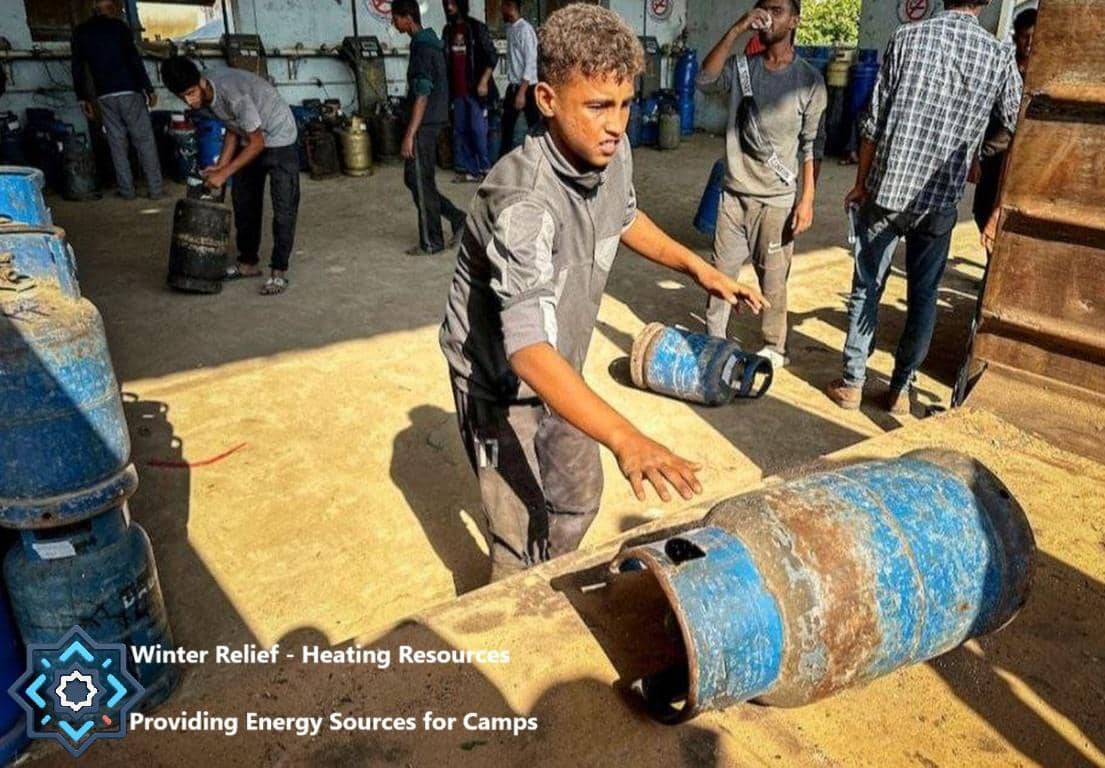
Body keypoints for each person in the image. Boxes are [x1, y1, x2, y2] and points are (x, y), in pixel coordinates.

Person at [439, 5, 767, 582]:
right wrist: (627, 436)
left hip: (562, 368)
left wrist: (698, 267)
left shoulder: (611, 152)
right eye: (597, 106)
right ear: (546, 100)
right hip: (499, 386)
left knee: (579, 496)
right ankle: (519, 612)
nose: (616, 124)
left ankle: (550, 573)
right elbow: (527, 351)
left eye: (624, 104)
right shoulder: (523, 204)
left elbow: (624, 218)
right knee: (515, 537)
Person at [827, 0, 1022, 414]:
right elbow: (1015, 125)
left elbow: (873, 120)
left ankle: (853, 383)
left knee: (867, 288)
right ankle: (901, 389)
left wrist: (860, 184)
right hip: (940, 200)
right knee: (923, 296)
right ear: (985, 4)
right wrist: (977, 154)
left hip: (887, 190)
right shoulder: (999, 54)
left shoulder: (907, 37)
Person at [697, 0, 827, 370]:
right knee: (720, 275)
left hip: (777, 201)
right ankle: (714, 340)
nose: (769, 16)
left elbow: (811, 145)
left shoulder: (809, 81)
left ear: (795, 20)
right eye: (763, 8)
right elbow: (705, 79)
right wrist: (737, 28)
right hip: (734, 196)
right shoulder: (742, 70)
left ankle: (773, 344)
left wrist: (807, 200)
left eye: (779, 9)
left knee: (773, 280)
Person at [160, 58, 300, 296]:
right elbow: (233, 128)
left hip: (278, 135)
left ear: (201, 83)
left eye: (191, 93)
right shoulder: (204, 94)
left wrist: (226, 172)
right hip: (251, 134)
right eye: (183, 96)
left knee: (284, 207)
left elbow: (258, 143)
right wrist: (221, 166)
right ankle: (248, 264)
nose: (189, 100)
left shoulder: (233, 95)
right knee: (244, 201)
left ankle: (278, 272)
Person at [392, 0, 468, 256]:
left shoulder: (423, 47)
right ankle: (458, 218)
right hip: (432, 120)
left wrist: (409, 134)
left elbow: (423, 93)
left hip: (424, 124)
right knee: (416, 179)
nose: (394, 23)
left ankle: (432, 241)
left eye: (396, 18)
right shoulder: (428, 42)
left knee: (419, 180)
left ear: (408, 18)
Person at [70, 0, 162, 200]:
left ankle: (127, 191)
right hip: (129, 90)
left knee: (117, 144)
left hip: (104, 95)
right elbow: (133, 59)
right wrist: (149, 88)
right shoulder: (120, 28)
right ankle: (155, 190)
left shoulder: (81, 32)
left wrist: (83, 98)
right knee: (144, 141)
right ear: (110, 8)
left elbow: (77, 66)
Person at [971, 8, 1036, 247]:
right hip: (993, 154)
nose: (1029, 42)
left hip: (1022, 158)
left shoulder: (1041, 74)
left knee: (1008, 215)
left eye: (1033, 37)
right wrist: (975, 157)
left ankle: (992, 271)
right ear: (1016, 37)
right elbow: (982, 111)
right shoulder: (1004, 67)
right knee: (982, 210)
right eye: (1024, 36)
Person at [442, 0, 499, 182]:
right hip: (457, 92)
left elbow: (492, 56)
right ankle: (471, 170)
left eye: (453, 3)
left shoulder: (475, 28)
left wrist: (483, 81)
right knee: (461, 130)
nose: (450, 7)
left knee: (478, 130)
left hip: (475, 91)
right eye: (447, 4)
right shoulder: (447, 31)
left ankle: (485, 168)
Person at [499, 0, 540, 157]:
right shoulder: (510, 29)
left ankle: (538, 159)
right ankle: (503, 164)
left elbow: (530, 61)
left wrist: (522, 91)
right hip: (514, 84)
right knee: (507, 127)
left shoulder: (525, 30)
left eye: (503, 7)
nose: (501, 11)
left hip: (527, 86)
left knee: (534, 127)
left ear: (510, 7)